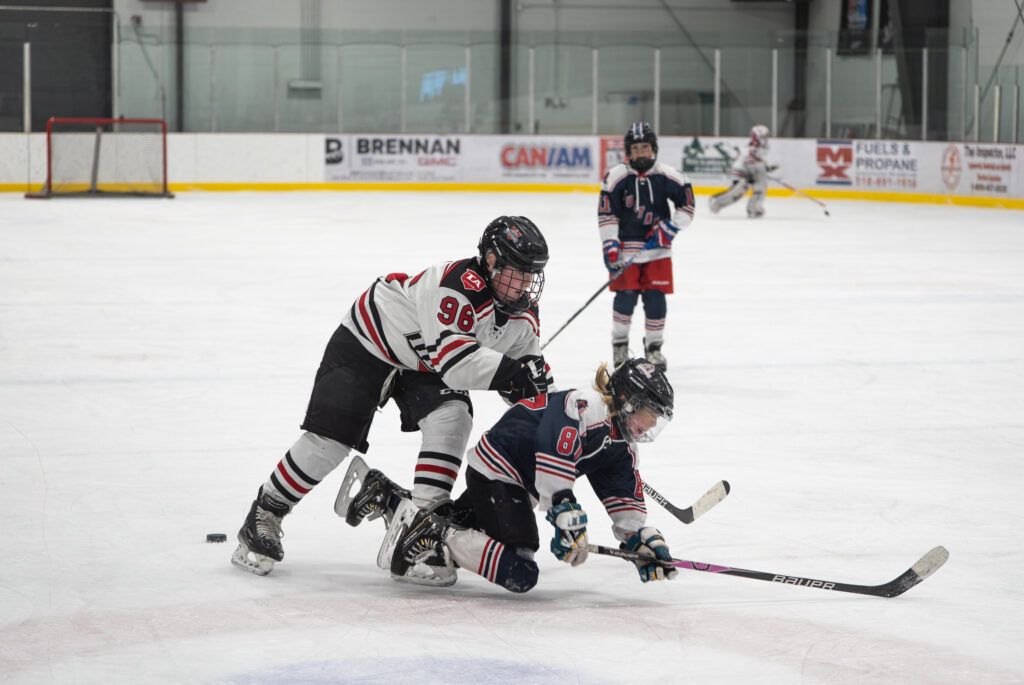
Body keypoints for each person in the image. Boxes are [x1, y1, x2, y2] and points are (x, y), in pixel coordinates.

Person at [231, 215, 554, 577]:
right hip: (371, 340)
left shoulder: (523, 314)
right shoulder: (458, 285)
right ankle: (266, 511)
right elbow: (457, 363)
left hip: (422, 363)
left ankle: (422, 525)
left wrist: (548, 408)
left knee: (453, 417)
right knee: (330, 442)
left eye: (532, 274)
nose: (526, 283)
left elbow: (532, 381)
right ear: (492, 261)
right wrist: (514, 375)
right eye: (518, 271)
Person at [375, 357, 679, 593]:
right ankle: (435, 534)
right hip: (498, 470)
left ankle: (385, 496)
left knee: (460, 522)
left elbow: (622, 491)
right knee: (520, 569)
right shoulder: (587, 406)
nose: (650, 427)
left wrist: (638, 539)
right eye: (648, 416)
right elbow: (552, 448)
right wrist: (563, 507)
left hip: (514, 484)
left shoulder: (621, 447)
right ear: (628, 400)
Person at [599, 121, 695, 371]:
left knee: (655, 299)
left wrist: (669, 229)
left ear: (653, 148)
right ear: (628, 151)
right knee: (625, 298)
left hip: (657, 252)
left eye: (645, 147)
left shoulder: (668, 176)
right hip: (625, 251)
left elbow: (688, 204)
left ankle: (654, 348)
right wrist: (610, 245)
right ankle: (619, 344)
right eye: (636, 148)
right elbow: (607, 214)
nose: (641, 153)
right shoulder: (616, 176)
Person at [709, 124, 777, 218]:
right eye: (763, 136)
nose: (765, 138)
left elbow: (756, 161)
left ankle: (753, 208)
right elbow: (748, 160)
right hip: (743, 172)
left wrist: (766, 168)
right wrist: (752, 173)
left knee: (751, 190)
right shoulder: (755, 145)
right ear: (757, 136)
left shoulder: (758, 147)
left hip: (746, 172)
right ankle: (717, 201)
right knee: (740, 192)